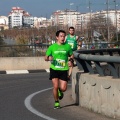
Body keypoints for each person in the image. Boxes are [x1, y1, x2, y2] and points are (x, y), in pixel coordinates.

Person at [44, 30, 74, 109]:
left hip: (64, 69)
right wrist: (48, 58)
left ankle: (60, 92)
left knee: (63, 88)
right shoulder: (52, 47)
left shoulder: (67, 46)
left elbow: (72, 55)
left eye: (64, 36)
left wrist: (71, 60)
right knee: (55, 86)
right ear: (57, 37)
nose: (63, 38)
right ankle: (56, 102)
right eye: (61, 36)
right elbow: (45, 57)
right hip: (54, 69)